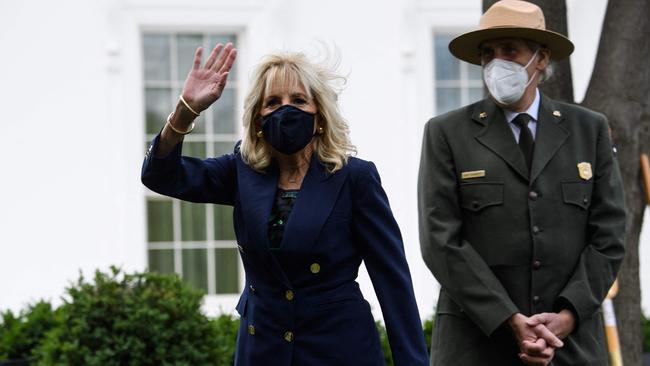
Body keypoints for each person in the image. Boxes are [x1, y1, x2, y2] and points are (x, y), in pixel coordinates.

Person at [141, 43, 429, 365]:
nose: (285, 110)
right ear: (259, 120)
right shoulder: (242, 170)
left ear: (318, 115)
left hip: (337, 351)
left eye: (299, 100)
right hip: (262, 350)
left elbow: (393, 285)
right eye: (273, 102)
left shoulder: (355, 178)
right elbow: (161, 176)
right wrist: (186, 110)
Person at [417, 1, 626, 365]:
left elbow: (609, 235)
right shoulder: (447, 133)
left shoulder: (587, 129)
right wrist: (509, 319)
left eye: (510, 50)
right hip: (476, 345)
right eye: (487, 53)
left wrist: (566, 317)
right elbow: (440, 240)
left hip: (570, 346)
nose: (497, 62)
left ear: (541, 58)